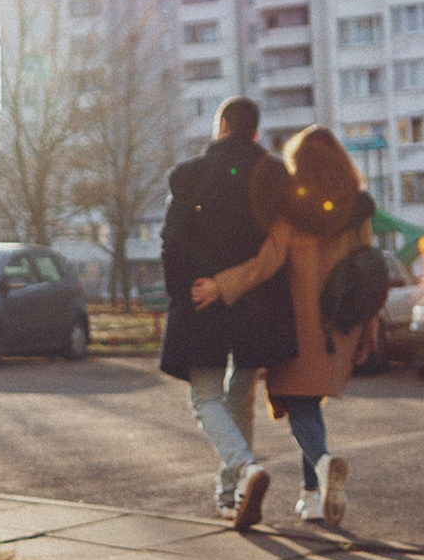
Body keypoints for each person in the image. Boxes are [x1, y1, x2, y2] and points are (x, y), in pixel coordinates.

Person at [192, 126, 377, 524]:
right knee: (310, 404)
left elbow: (265, 264)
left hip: (299, 328)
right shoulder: (357, 210)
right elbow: (370, 276)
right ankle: (311, 497)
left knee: (301, 408)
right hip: (342, 326)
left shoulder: (290, 211)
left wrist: (220, 285)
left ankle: (323, 464)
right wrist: (369, 331)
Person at [158, 97, 297, 528]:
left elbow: (172, 239)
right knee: (240, 397)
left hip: (203, 298)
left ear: (221, 127)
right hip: (257, 303)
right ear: (254, 132)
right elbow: (279, 247)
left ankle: (246, 470)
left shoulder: (192, 175)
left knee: (206, 399)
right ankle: (232, 495)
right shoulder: (274, 178)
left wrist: (189, 290)